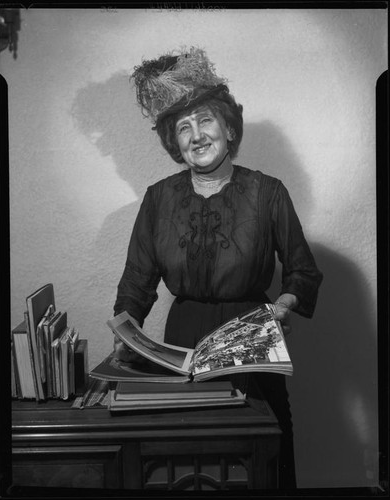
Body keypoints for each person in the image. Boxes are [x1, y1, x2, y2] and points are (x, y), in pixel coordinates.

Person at [113, 47, 323, 489]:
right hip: (183, 341)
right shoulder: (157, 198)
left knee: (261, 461)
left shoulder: (268, 192)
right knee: (192, 464)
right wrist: (125, 333)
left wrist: (282, 308)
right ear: (175, 143)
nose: (196, 136)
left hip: (253, 341)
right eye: (183, 128)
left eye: (205, 120)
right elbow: (137, 282)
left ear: (228, 127)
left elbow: (303, 271)